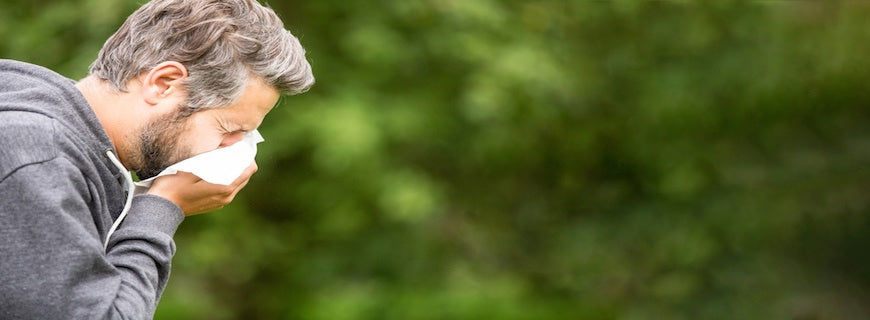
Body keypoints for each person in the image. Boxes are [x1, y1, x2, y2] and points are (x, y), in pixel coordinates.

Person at [0, 0, 314, 318]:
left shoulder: (65, 146)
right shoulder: (37, 155)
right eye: (229, 128)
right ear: (163, 84)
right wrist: (162, 206)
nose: (231, 149)